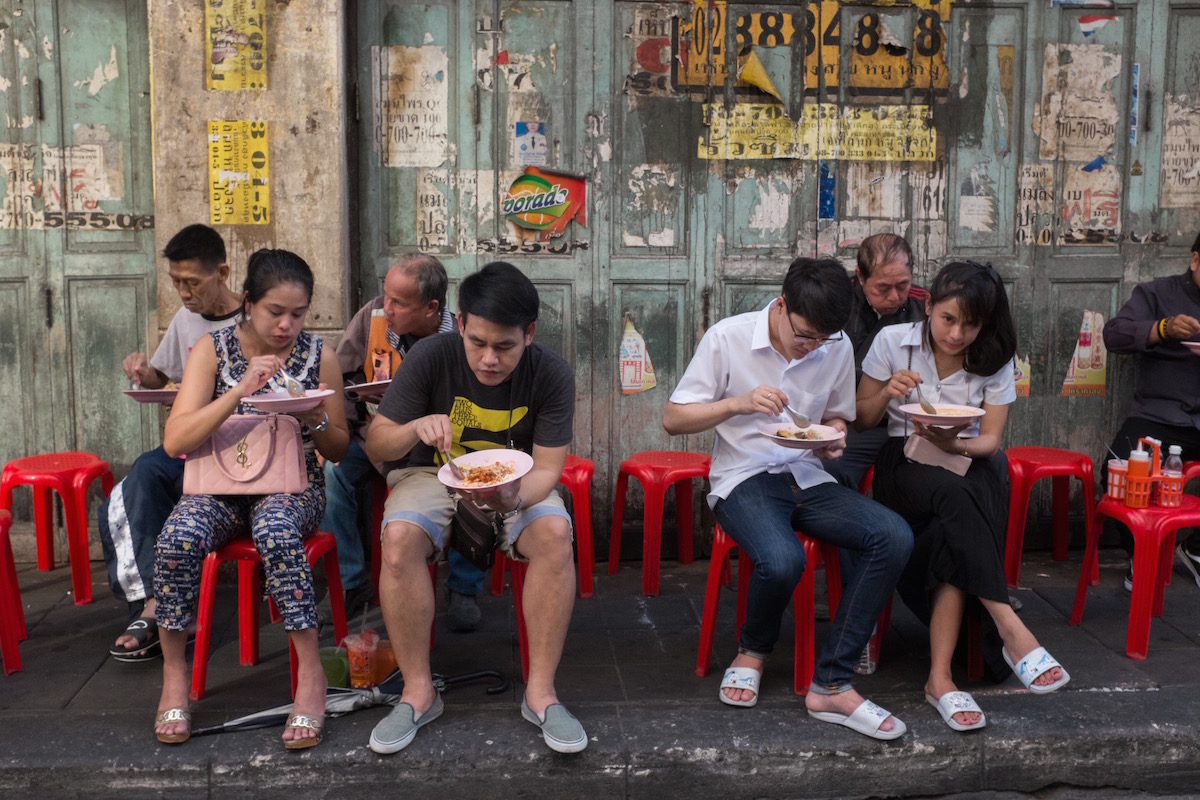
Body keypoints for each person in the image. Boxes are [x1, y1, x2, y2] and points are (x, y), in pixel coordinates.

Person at [662, 257, 914, 741]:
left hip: (807, 474)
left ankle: (832, 681)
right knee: (782, 561)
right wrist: (738, 402)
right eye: (804, 336)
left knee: (893, 535)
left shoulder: (834, 345)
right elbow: (674, 418)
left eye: (822, 339)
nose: (811, 348)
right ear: (781, 306)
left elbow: (839, 418)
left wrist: (833, 439)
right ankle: (753, 650)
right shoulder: (728, 337)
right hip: (742, 477)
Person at [363, 261, 586, 754]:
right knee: (399, 539)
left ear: (528, 334)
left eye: (504, 347)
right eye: (477, 342)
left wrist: (513, 496)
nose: (488, 359)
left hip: (516, 478)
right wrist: (413, 428)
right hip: (428, 473)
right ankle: (419, 694)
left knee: (554, 535)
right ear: (460, 324)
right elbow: (378, 444)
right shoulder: (430, 357)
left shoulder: (550, 373)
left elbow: (548, 469)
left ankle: (541, 693)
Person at [856, 261, 1070, 734]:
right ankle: (1008, 625)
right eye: (948, 319)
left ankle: (940, 679)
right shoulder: (894, 343)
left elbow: (990, 440)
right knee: (959, 498)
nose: (957, 334)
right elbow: (862, 417)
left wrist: (954, 445)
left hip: (967, 460)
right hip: (904, 462)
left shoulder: (995, 358)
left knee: (955, 523)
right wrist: (887, 391)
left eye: (970, 324)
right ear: (928, 305)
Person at [151, 249, 349, 749]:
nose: (286, 325)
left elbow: (340, 448)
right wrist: (238, 390)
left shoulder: (317, 356)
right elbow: (176, 441)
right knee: (177, 537)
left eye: (298, 314)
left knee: (277, 529)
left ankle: (310, 677)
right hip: (218, 490)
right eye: (274, 312)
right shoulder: (211, 351)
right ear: (247, 303)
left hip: (292, 486)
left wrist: (314, 418)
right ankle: (175, 678)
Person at [100, 224, 242, 661]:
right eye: (176, 282)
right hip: (191, 449)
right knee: (136, 480)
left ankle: (166, 606)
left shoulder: (254, 318)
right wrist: (146, 376)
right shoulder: (185, 320)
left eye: (192, 282)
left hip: (239, 455)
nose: (183, 292)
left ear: (222, 272)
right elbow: (167, 378)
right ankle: (153, 602)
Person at [323, 254, 486, 625]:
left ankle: (463, 587)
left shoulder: (462, 337)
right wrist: (343, 429)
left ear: (431, 308)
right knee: (333, 475)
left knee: (472, 486)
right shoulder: (372, 317)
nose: (387, 308)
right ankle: (350, 583)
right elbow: (342, 376)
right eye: (386, 296)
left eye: (399, 302)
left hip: (440, 449)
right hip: (374, 440)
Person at [1101, 232, 1200, 590]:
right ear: (1194, 261)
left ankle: (1197, 549)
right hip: (1160, 415)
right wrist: (1164, 328)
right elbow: (1114, 335)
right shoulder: (1157, 294)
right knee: (1119, 471)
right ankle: (1141, 556)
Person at [822, 233, 926, 490]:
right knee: (829, 468)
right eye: (883, 288)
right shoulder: (836, 304)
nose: (894, 296)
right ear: (860, 276)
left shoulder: (926, 305)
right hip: (853, 422)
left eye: (902, 285)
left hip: (910, 420)